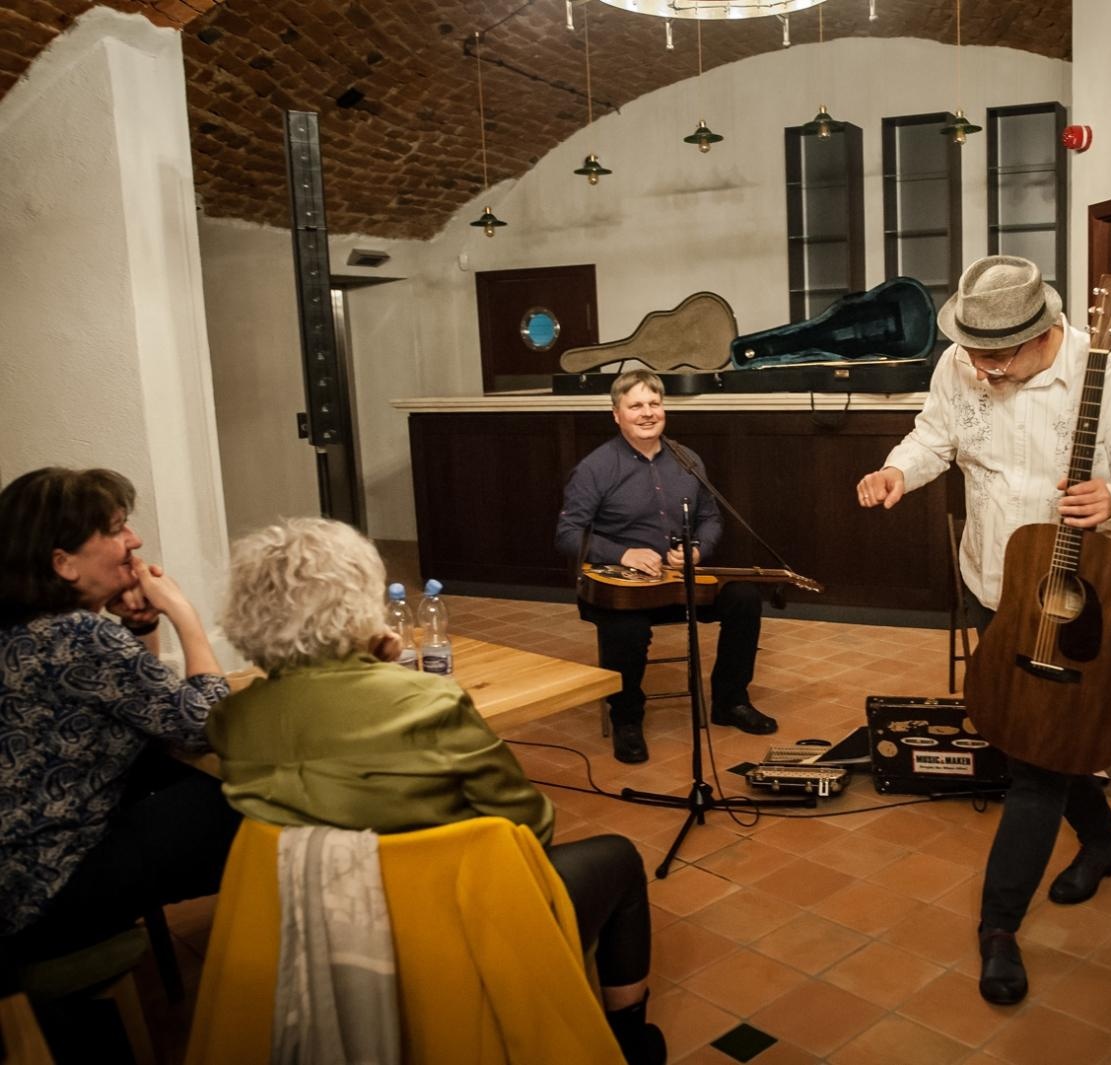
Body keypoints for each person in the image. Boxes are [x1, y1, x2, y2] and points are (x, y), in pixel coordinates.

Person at [207, 517, 664, 1065]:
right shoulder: (429, 701)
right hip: (452, 927)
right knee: (618, 857)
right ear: (357, 605)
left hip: (308, 932)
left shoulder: (232, 720)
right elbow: (530, 827)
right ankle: (631, 1041)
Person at [856, 256, 1111, 1005]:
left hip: (1074, 594)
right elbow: (934, 436)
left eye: (998, 354)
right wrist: (900, 470)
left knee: (1036, 763)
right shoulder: (960, 364)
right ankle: (1102, 841)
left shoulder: (1109, 370)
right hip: (991, 581)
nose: (983, 368)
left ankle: (998, 927)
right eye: (973, 351)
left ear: (1044, 333)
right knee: (1026, 729)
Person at [0, 466, 238, 963]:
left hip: (16, 876)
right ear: (63, 563)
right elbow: (209, 725)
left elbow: (138, 701)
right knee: (248, 797)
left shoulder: (31, 629)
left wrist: (141, 624)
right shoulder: (78, 636)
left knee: (170, 770)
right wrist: (185, 616)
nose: (135, 539)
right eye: (114, 529)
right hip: (44, 895)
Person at [556, 369, 775, 764]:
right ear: (616, 414)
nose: (647, 413)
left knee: (744, 598)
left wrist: (695, 550)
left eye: (654, 403)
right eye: (635, 405)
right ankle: (626, 718)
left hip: (677, 583)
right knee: (626, 627)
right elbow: (567, 534)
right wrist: (623, 555)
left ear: (664, 409)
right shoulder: (595, 468)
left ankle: (730, 701)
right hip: (620, 590)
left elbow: (712, 519)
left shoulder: (687, 460)